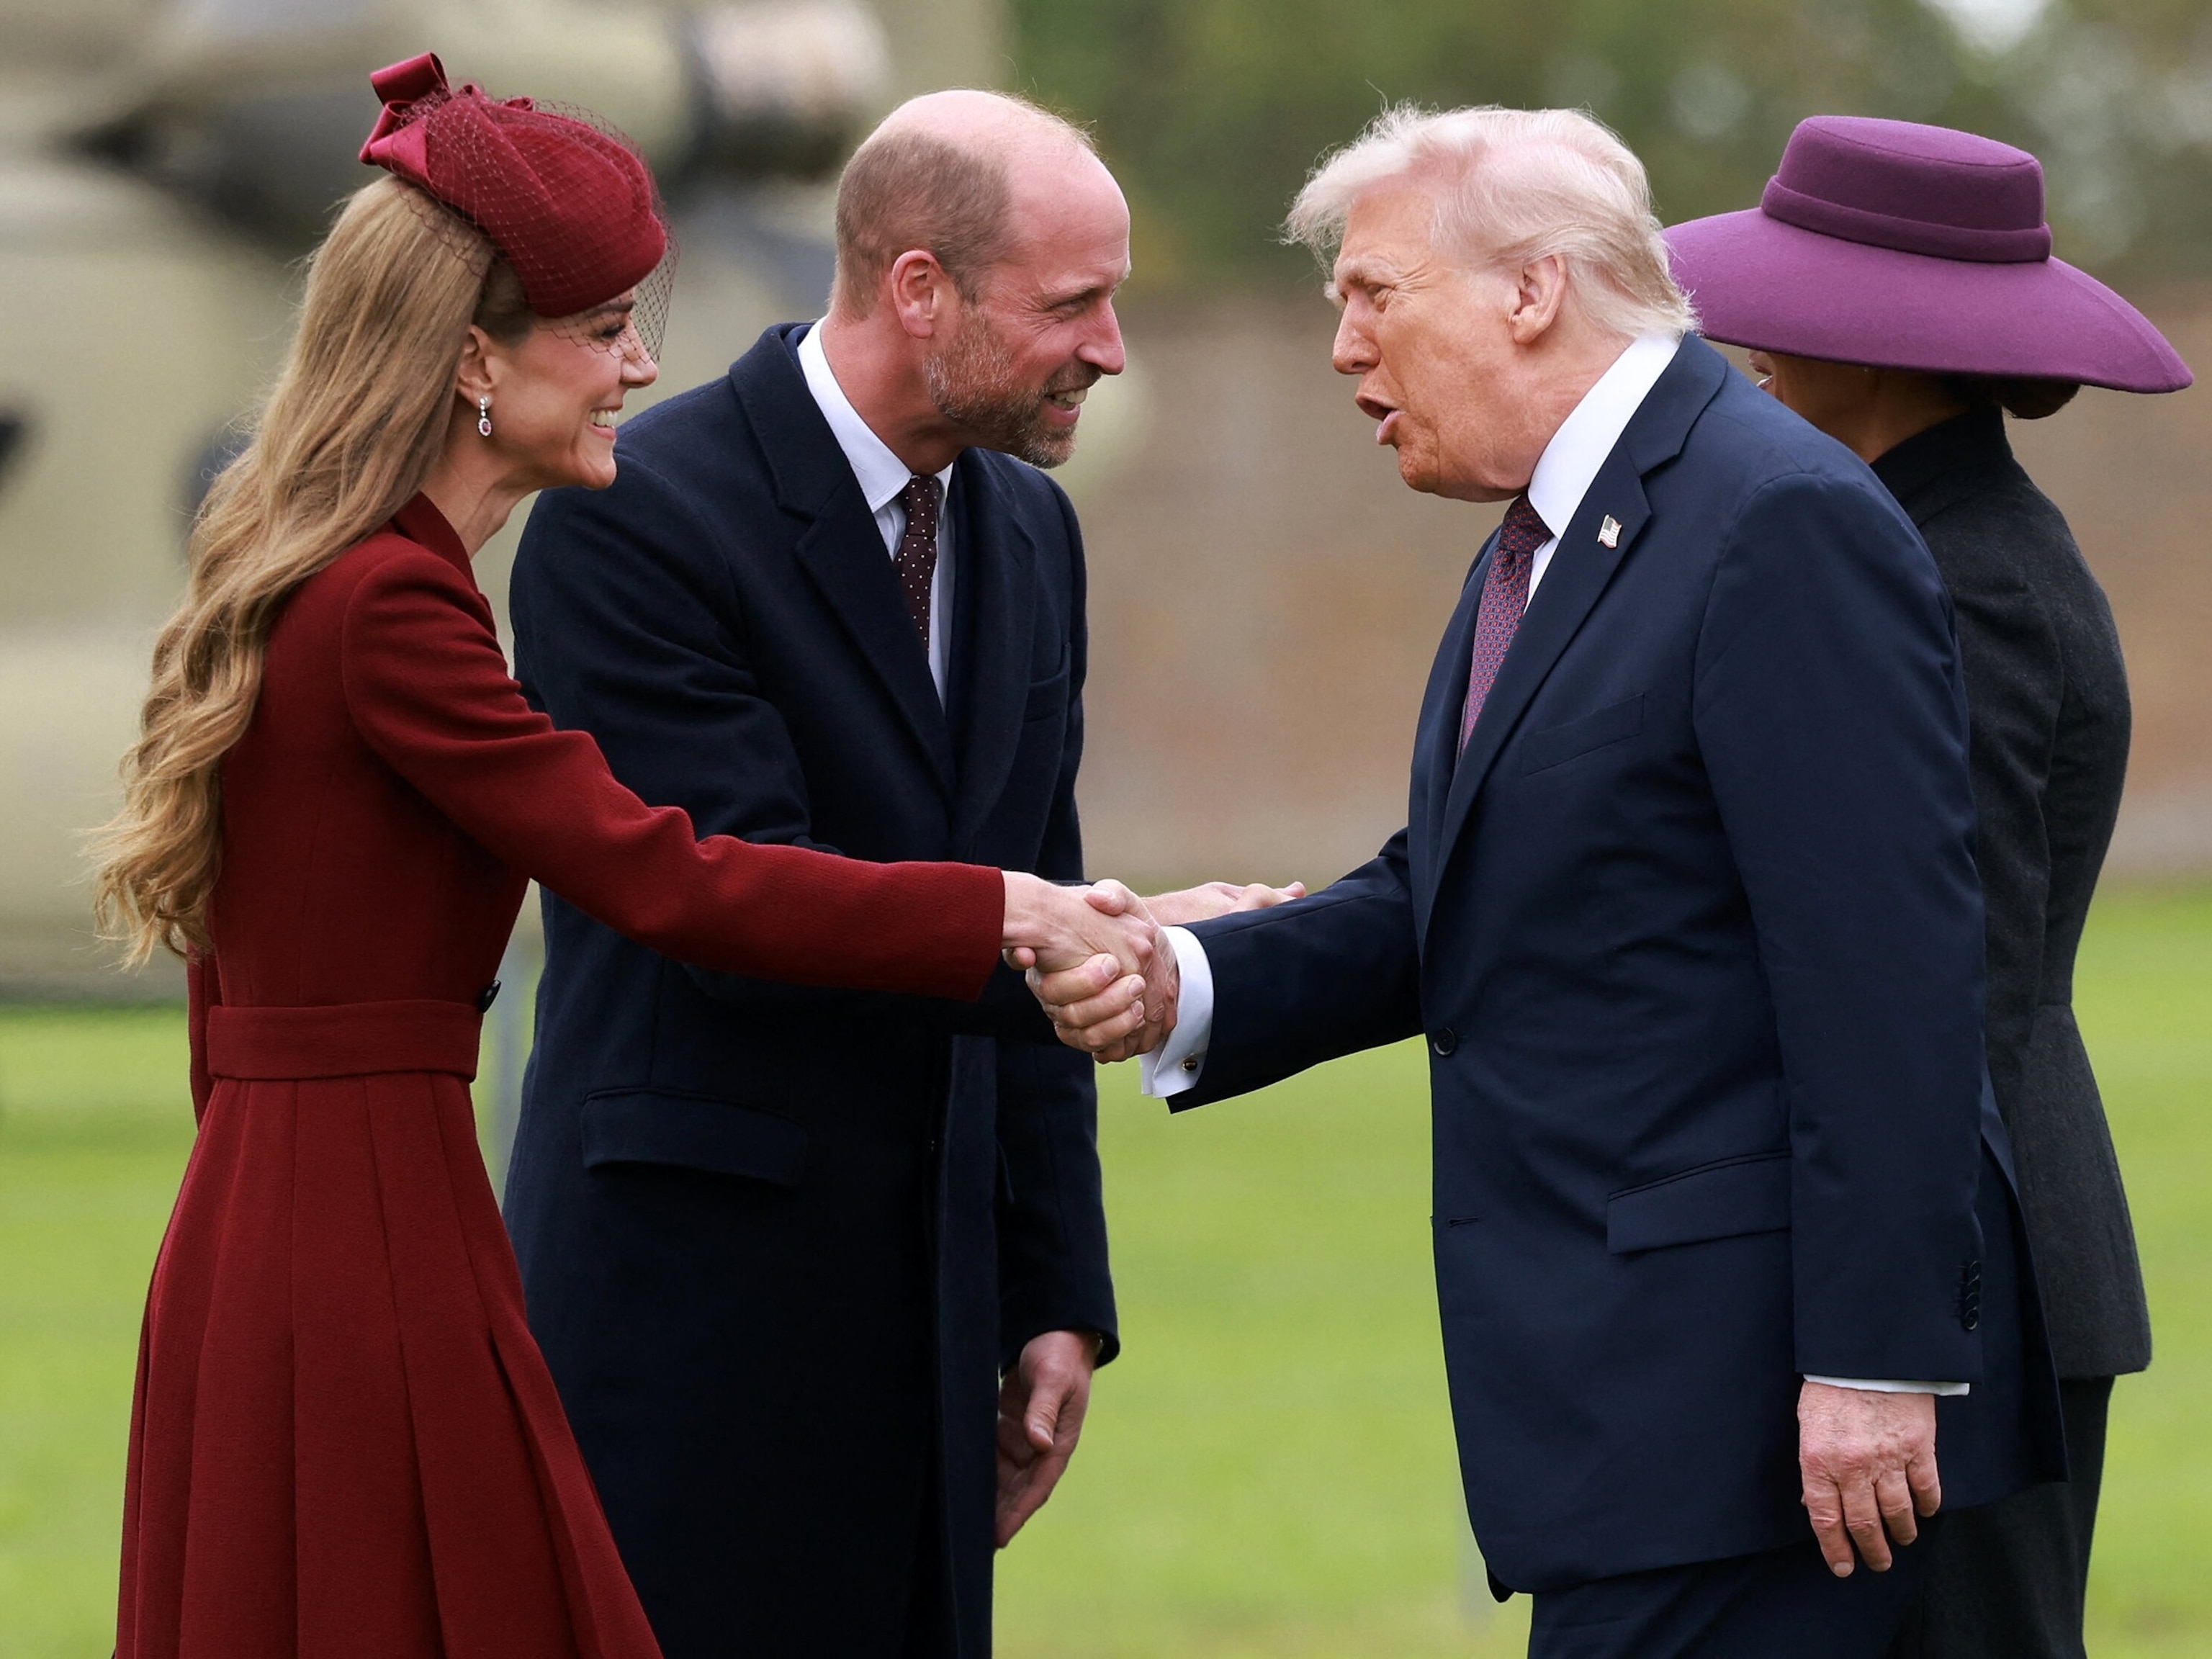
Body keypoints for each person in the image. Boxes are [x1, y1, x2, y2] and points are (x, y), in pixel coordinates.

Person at [88, 55, 1154, 1659]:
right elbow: (673, 877)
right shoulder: (396, 603)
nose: (637, 369)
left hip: (298, 1213)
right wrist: (1020, 914)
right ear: (468, 362)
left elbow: (229, 997)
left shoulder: (343, 581)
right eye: (597, 332)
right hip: (376, 1230)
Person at [1033, 104, 2063, 1659]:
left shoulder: (1772, 520)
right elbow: (1467, 889)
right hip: (1639, 1428)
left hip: (1766, 1431)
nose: (1341, 350)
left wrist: (1873, 1361)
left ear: (1531, 290)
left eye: (1374, 294)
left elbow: (1888, 975)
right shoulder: (1552, 535)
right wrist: (1199, 981)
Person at [500, 87, 1293, 1659]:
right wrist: (1090, 938)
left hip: (934, 1335)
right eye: (1075, 304)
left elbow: (1036, 859)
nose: (1115, 348)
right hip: (691, 1333)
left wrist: (1054, 1287)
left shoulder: (1029, 530)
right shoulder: (637, 518)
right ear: (920, 288)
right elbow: (733, 906)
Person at [1665, 115, 2190, 1659]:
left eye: (1796, 296)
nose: (1751, 339)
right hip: (1962, 1256)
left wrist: (1891, 1325)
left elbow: (1913, 970)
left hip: (1981, 1274)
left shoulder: (1954, 574)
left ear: (1885, 338)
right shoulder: (1915, 537)